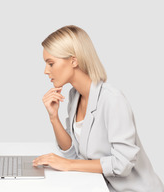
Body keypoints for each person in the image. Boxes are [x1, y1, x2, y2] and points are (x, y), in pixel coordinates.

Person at [32, 25, 164, 192]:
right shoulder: (75, 96)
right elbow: (72, 153)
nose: (45, 71)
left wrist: (69, 165)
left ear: (73, 60)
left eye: (51, 63)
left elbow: (122, 163)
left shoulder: (112, 100)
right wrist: (53, 117)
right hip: (99, 185)